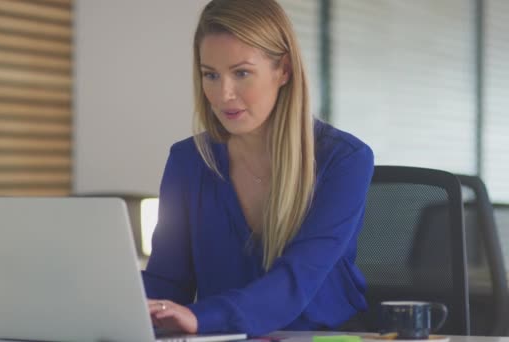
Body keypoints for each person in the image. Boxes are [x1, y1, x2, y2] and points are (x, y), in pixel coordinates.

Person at [142, 0, 374, 337]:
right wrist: (112, 304)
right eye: (210, 75)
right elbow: (168, 280)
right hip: (222, 336)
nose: (224, 94)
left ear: (283, 70)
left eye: (241, 73)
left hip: (318, 335)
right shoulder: (188, 160)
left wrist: (200, 319)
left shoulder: (345, 160)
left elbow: (296, 280)